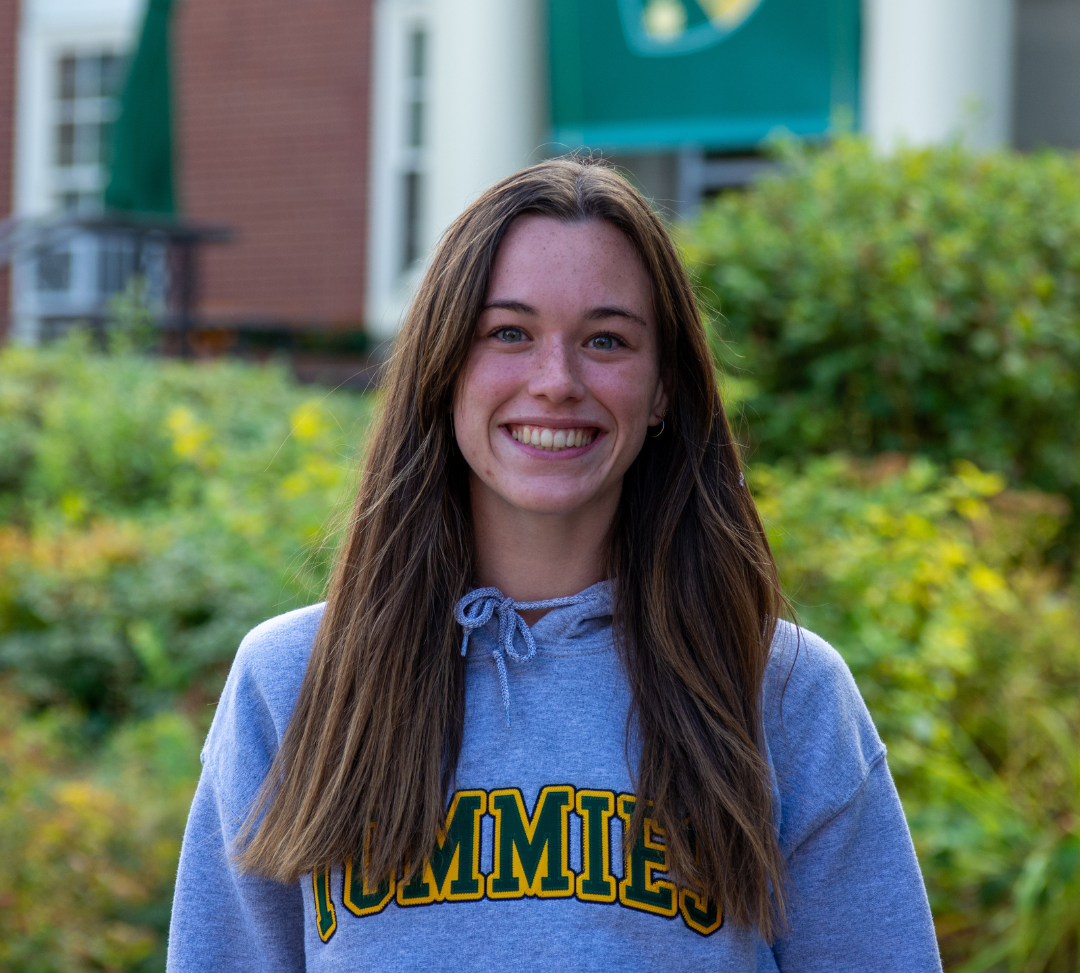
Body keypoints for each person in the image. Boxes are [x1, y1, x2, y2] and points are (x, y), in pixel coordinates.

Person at [167, 158, 943, 972]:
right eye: (509, 333)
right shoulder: (293, 683)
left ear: (663, 391)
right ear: (444, 370)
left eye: (606, 340)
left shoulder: (782, 693)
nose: (556, 382)